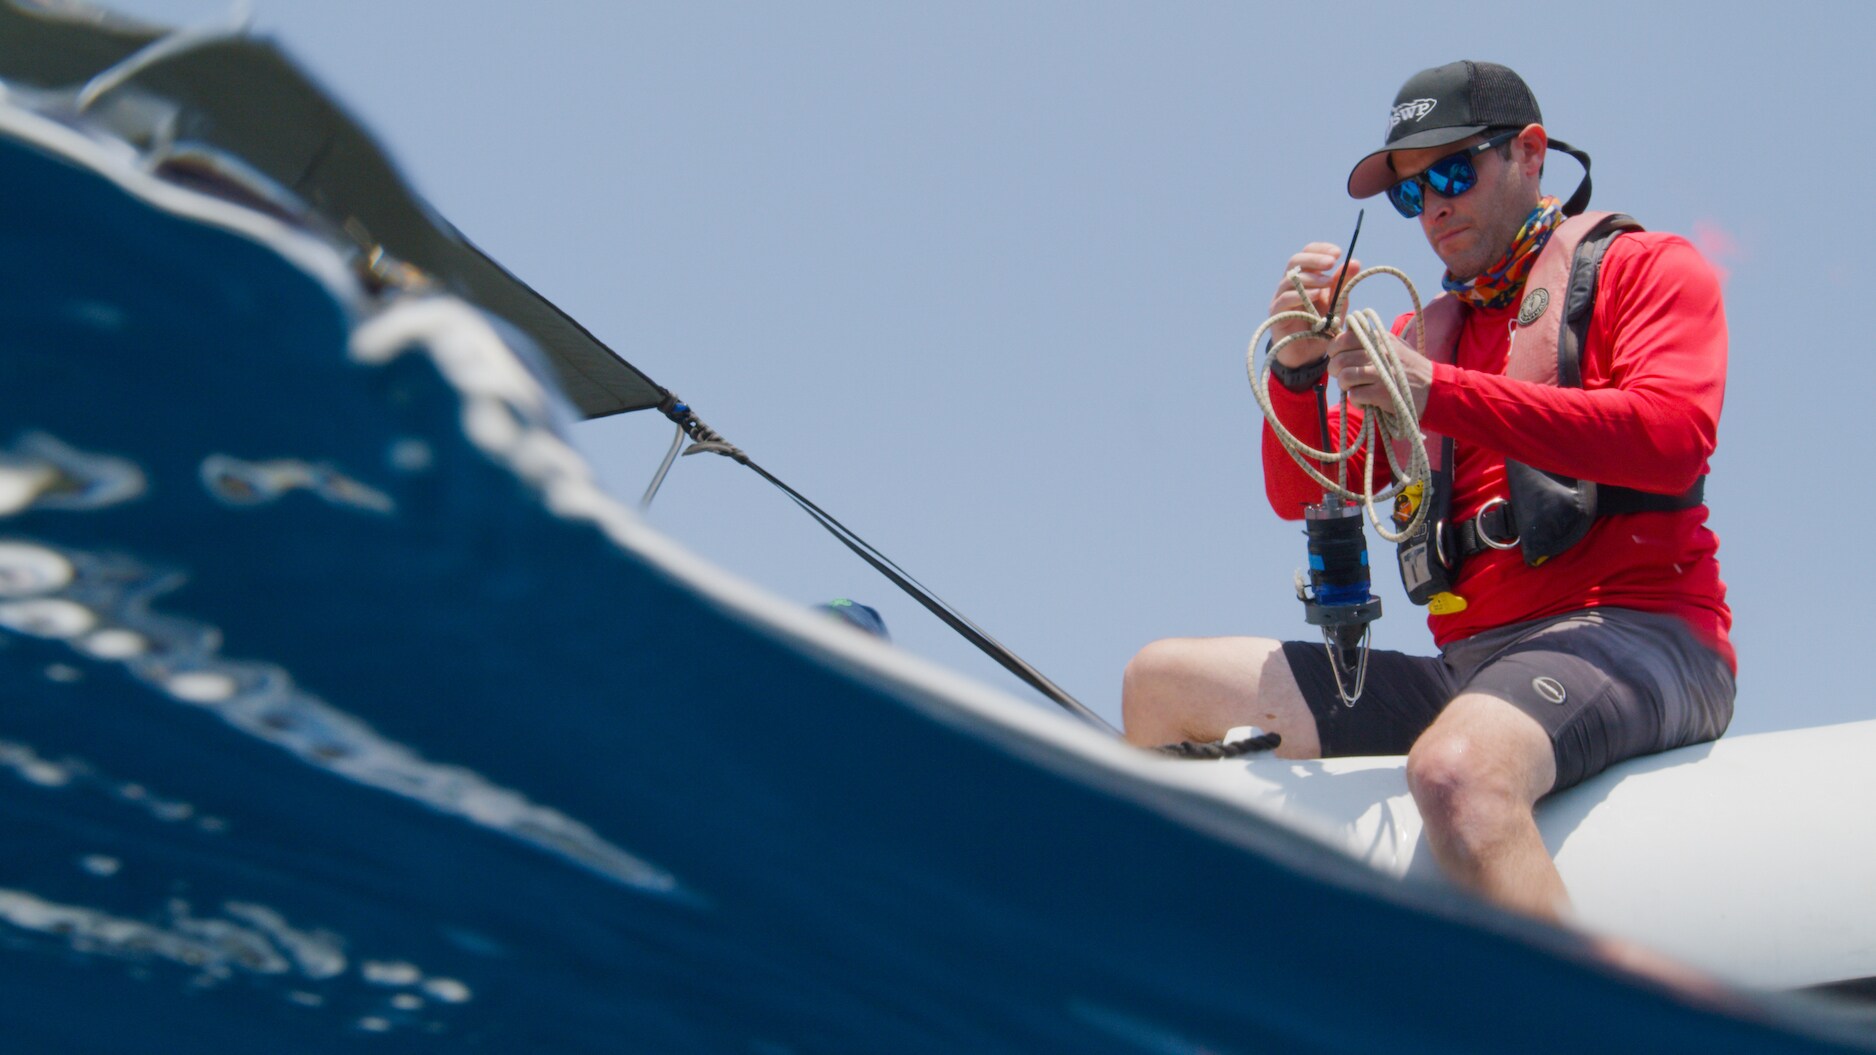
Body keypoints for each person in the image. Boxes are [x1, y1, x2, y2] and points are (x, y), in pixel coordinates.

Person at [1121, 60, 1735, 922]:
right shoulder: (1421, 336)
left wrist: (1436, 392)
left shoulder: (1646, 269)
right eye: (1411, 193)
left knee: (1455, 773)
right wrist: (1297, 369)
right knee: (1161, 684)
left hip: (1639, 633)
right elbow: (1305, 491)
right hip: (1472, 669)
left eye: (1452, 171)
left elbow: (1672, 441)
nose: (1434, 206)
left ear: (1529, 154)